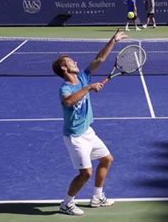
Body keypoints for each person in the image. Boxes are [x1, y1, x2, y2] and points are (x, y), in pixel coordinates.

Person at [52, 29, 128, 216]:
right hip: (75, 137)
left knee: (107, 159)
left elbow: (100, 59)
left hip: (87, 131)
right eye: (70, 61)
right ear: (64, 68)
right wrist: (88, 88)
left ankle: (97, 197)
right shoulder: (65, 88)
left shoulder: (84, 76)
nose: (75, 62)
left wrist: (114, 40)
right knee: (85, 173)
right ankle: (66, 204)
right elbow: (69, 101)